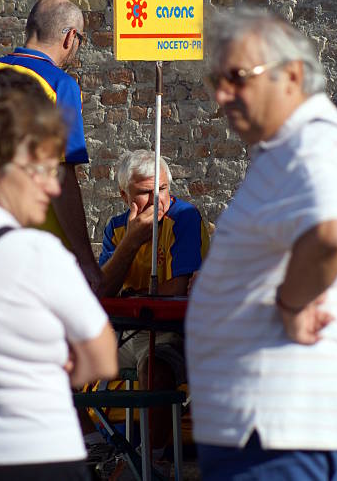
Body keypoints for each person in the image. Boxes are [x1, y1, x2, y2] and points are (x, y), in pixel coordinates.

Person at [186, 6, 337, 480]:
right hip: (267, 426)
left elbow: (330, 233)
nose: (222, 95)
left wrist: (290, 302)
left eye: (237, 78)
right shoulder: (290, 145)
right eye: (215, 81)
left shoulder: (310, 142)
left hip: (273, 427)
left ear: (292, 75)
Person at [0, 91, 118, 481]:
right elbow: (103, 360)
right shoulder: (38, 252)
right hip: (38, 450)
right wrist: (49, 364)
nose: (52, 187)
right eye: (40, 171)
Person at [0, 0, 101, 290]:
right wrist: (86, 260)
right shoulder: (60, 84)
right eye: (80, 40)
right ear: (71, 37)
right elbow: (62, 174)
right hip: (39, 248)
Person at [99, 149, 209, 457]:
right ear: (125, 195)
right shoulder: (117, 228)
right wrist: (132, 241)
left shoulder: (184, 218)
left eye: (162, 189)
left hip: (168, 332)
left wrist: (130, 294)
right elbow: (102, 289)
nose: (157, 199)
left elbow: (176, 287)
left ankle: (153, 460)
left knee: (155, 369)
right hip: (122, 332)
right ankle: (94, 448)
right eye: (146, 193)